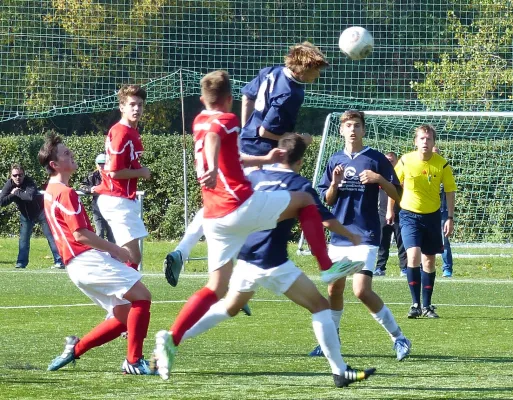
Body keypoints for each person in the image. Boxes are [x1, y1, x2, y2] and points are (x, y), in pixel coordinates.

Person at [153, 70, 363, 381]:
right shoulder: (227, 120)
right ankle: (328, 267)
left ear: (202, 99)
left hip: (216, 219)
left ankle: (171, 338)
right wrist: (211, 166)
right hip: (239, 207)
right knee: (305, 200)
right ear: (228, 100)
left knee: (215, 289)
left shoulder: (198, 120)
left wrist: (263, 160)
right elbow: (215, 139)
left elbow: (228, 154)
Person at [175, 133, 375, 388]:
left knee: (229, 307)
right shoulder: (299, 185)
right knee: (321, 307)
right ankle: (340, 371)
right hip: (273, 260)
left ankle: (174, 339)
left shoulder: (255, 177)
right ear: (301, 162)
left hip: (246, 256)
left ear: (279, 153)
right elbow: (326, 220)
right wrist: (351, 235)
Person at [163, 42, 329, 286]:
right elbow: (267, 130)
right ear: (304, 68)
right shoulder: (292, 93)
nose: (319, 74)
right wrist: (300, 140)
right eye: (317, 69)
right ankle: (235, 276)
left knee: (223, 207)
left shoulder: (271, 71)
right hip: (263, 156)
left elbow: (247, 95)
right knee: (255, 209)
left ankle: (192, 256)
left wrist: (243, 129)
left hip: (246, 145)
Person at [38, 133, 153, 375]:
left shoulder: (50, 191)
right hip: (85, 260)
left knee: (123, 316)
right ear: (54, 165)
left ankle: (75, 349)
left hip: (77, 266)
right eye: (66, 153)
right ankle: (134, 361)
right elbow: (79, 235)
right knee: (142, 296)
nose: (72, 155)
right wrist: (116, 250)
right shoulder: (65, 193)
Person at [309, 110, 412, 361]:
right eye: (348, 126)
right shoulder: (334, 160)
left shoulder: (376, 159)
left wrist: (379, 179)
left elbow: (398, 194)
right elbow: (327, 199)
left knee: (361, 290)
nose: (352, 129)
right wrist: (334, 183)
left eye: (356, 125)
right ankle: (331, 340)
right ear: (341, 131)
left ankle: (399, 338)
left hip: (365, 234)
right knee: (334, 288)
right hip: (340, 235)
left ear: (363, 130)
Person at [387, 125, 457, 318]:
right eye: (422, 139)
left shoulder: (442, 164)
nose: (425, 142)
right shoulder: (405, 161)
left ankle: (427, 306)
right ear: (415, 142)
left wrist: (450, 217)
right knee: (413, 255)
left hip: (432, 216)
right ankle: (415, 304)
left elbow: (450, 191)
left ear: (434, 142)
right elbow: (393, 185)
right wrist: (389, 209)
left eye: (428, 139)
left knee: (429, 260)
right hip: (409, 215)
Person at [95, 84, 151, 270]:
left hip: (122, 199)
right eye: (132, 104)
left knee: (129, 257)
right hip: (116, 199)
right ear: (122, 107)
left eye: (140, 105)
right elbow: (113, 171)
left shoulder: (131, 131)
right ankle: (120, 293)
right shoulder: (121, 132)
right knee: (132, 257)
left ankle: (122, 293)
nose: (137, 109)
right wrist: (141, 172)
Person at [0, 164, 64, 269]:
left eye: (20, 175)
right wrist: (14, 195)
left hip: (41, 212)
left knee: (51, 237)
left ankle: (59, 261)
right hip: (26, 215)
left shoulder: (29, 182)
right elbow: (2, 201)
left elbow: (29, 197)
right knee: (23, 239)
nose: (17, 177)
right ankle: (21, 263)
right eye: (15, 175)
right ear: (11, 176)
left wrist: (17, 192)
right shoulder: (9, 184)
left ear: (24, 175)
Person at [374, 151, 407, 277]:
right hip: (383, 214)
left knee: (402, 243)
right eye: (387, 160)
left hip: (400, 214)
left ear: (397, 161)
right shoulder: (381, 176)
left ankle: (404, 269)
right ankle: (380, 268)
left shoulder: (401, 177)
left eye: (391, 160)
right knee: (383, 242)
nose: (389, 162)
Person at [79, 154, 115, 243]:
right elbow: (82, 186)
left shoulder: (113, 175)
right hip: (97, 210)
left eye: (104, 163)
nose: (101, 166)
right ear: (96, 164)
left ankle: (114, 255)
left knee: (112, 235)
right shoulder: (92, 175)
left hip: (111, 210)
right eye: (99, 164)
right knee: (99, 233)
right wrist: (90, 189)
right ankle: (101, 254)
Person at [433, 146, 453, 278]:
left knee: (444, 240)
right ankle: (423, 266)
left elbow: (450, 191)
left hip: (443, 211)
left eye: (436, 153)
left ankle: (447, 268)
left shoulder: (444, 169)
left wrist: (450, 216)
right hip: (427, 211)